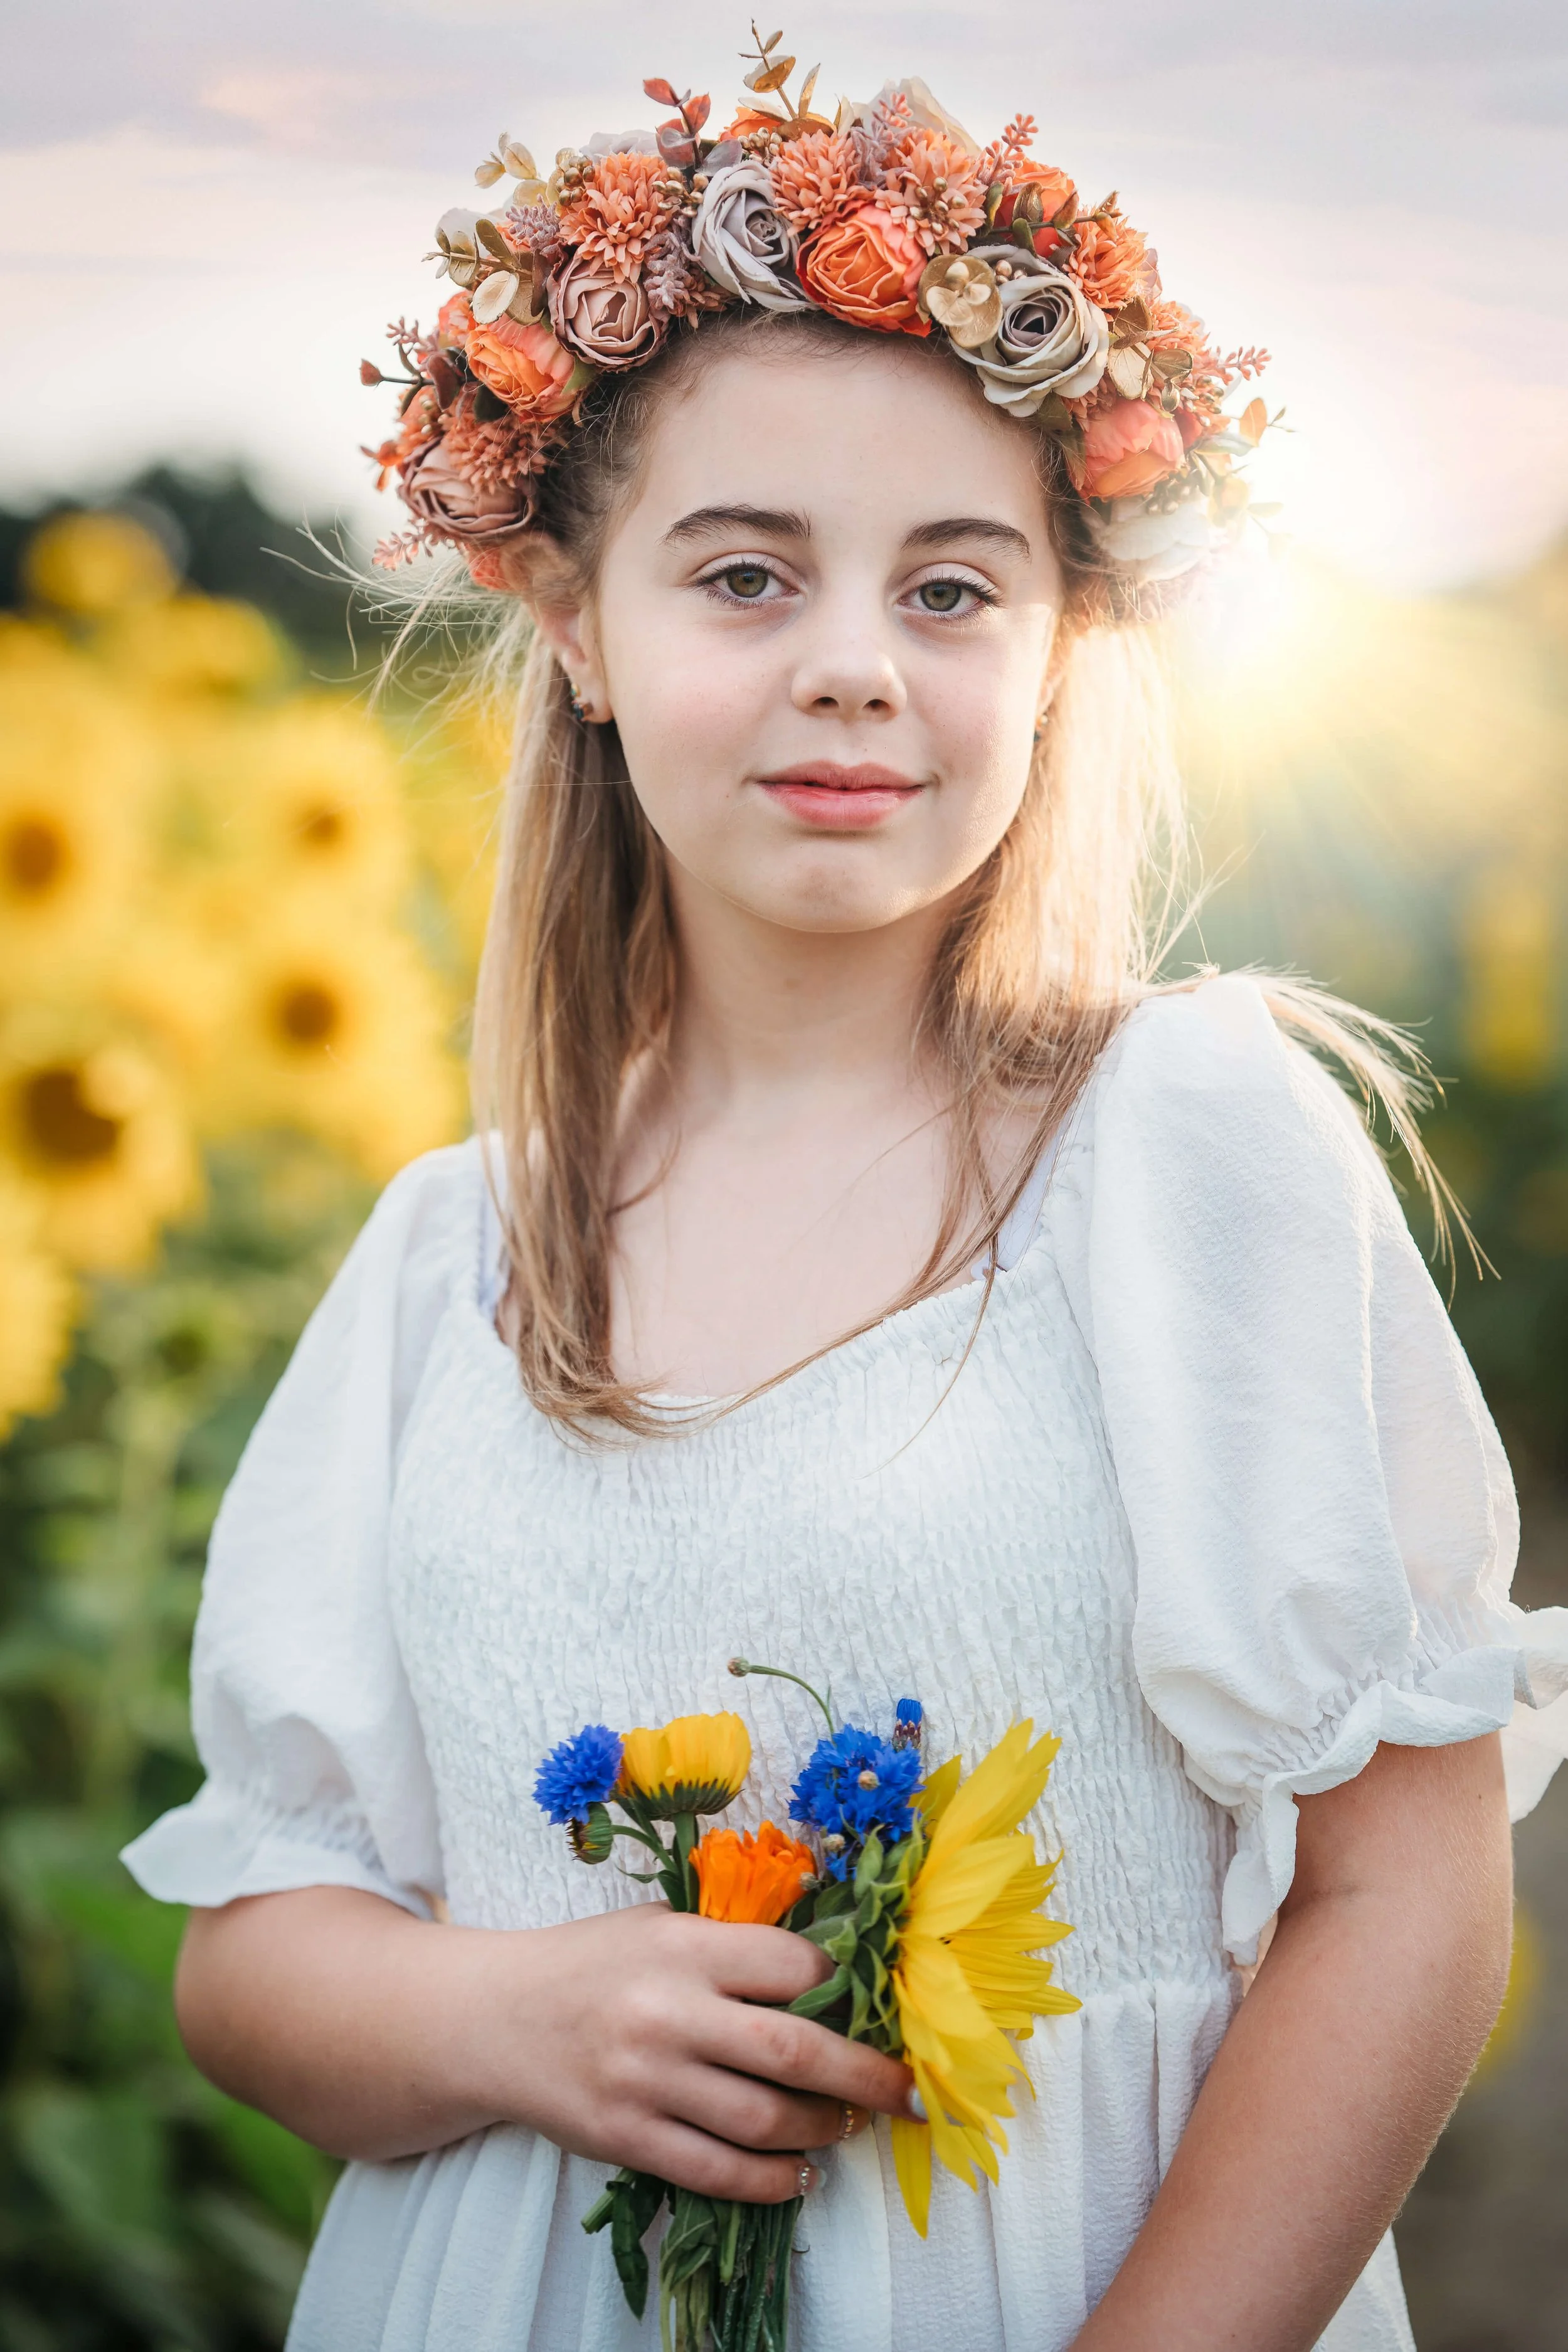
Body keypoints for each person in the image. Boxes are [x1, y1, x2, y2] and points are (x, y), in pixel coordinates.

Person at [122, 52, 1568, 2352]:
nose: (851, 663)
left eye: (952, 585)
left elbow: (1403, 1898)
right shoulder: (448, 1259)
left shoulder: (1182, 1156)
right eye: (741, 571)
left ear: (1055, 645)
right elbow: (259, 1947)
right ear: (575, 629)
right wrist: (519, 2021)